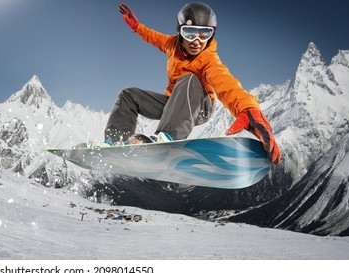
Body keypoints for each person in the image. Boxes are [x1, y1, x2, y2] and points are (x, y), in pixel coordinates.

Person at [104, 2, 281, 164]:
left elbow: (226, 83)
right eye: (190, 33)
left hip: (200, 107)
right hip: (175, 102)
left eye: (205, 34)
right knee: (128, 96)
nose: (197, 41)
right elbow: (153, 37)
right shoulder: (171, 44)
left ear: (211, 35)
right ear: (180, 32)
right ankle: (115, 142)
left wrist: (248, 109)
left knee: (189, 78)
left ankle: (165, 138)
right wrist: (136, 27)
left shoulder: (209, 59)